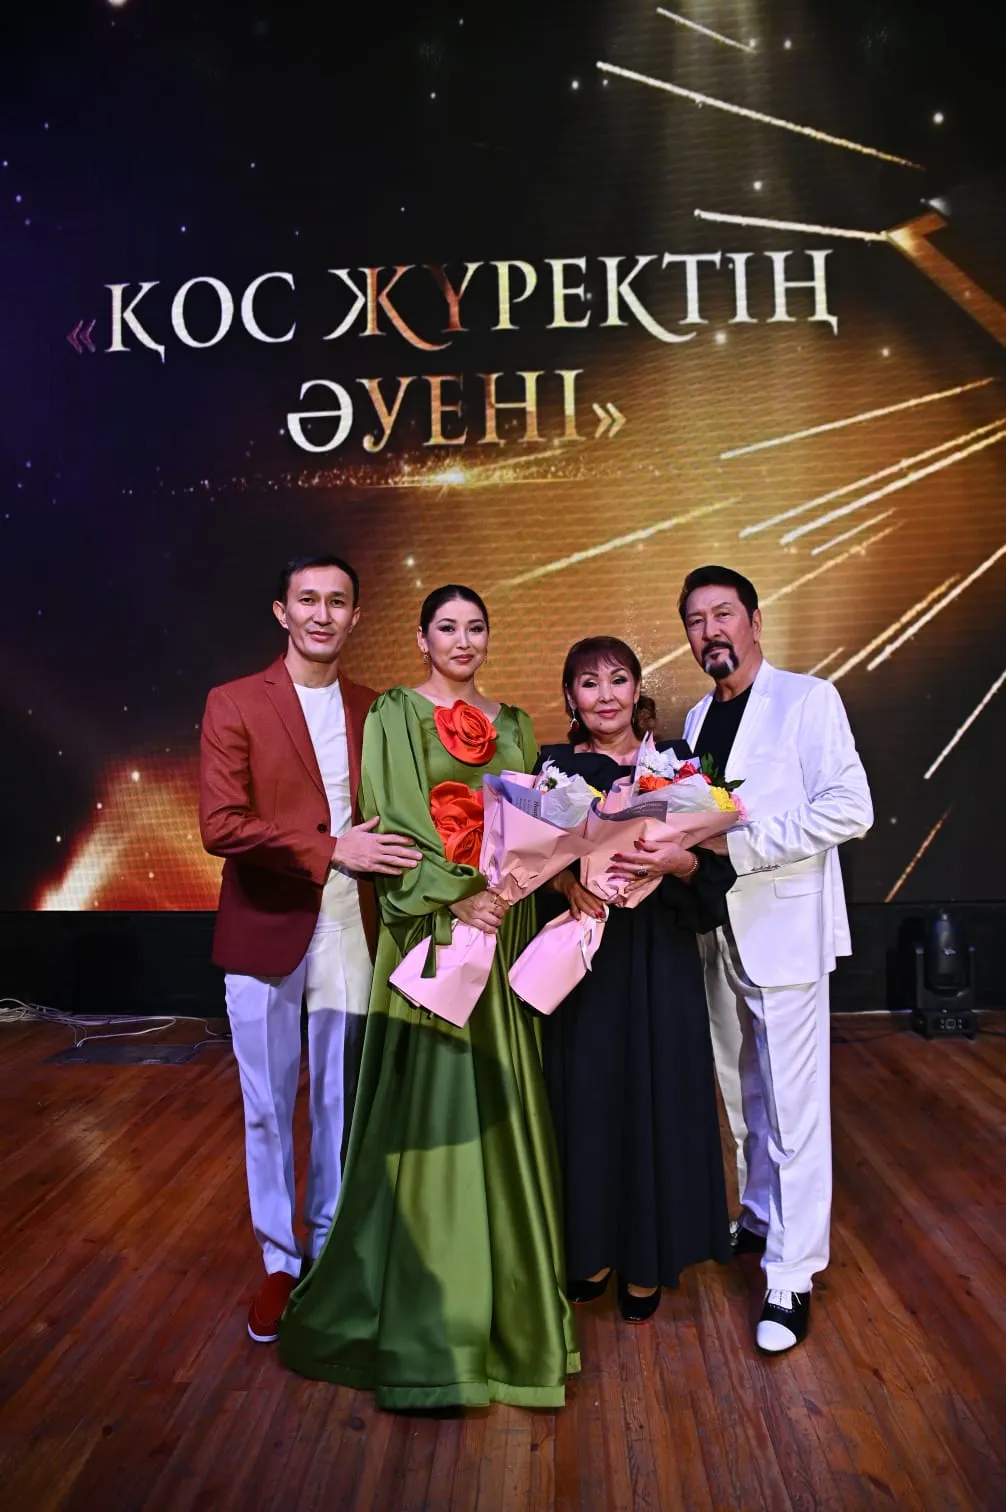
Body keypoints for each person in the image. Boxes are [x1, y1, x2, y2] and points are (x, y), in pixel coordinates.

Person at [279, 585, 579, 1409]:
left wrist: (509, 890)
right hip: (433, 930)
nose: (462, 640)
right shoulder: (395, 715)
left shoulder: (516, 724)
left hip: (501, 926)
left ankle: (512, 1317)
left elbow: (534, 826)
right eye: (447, 627)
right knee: (433, 1109)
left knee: (501, 1105)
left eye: (475, 627)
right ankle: (429, 1329)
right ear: (421, 638)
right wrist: (458, 897)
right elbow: (396, 820)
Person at [199, 555, 421, 1345]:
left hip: (352, 926)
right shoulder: (234, 701)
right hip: (265, 924)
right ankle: (278, 1260)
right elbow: (221, 825)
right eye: (307, 600)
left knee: (339, 1102)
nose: (322, 614)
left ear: (356, 616)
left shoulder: (377, 708)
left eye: (337, 601)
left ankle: (326, 1250)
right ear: (281, 611)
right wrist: (330, 850)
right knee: (266, 1107)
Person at [678, 565, 873, 1353]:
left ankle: (792, 1275)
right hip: (719, 929)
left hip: (784, 929)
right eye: (696, 621)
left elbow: (850, 808)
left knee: (795, 1108)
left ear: (755, 621)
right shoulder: (697, 716)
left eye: (723, 614)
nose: (711, 631)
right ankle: (759, 1214)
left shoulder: (808, 698)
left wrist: (742, 846)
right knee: (745, 1090)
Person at [535, 637, 734, 1323]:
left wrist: (679, 862)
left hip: (660, 957)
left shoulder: (676, 764)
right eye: (589, 683)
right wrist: (565, 881)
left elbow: (714, 869)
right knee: (588, 1102)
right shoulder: (553, 769)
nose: (605, 695)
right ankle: (590, 1250)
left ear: (637, 689)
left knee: (657, 1098)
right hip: (587, 958)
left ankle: (646, 1260)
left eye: (618, 680)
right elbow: (526, 862)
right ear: (571, 697)